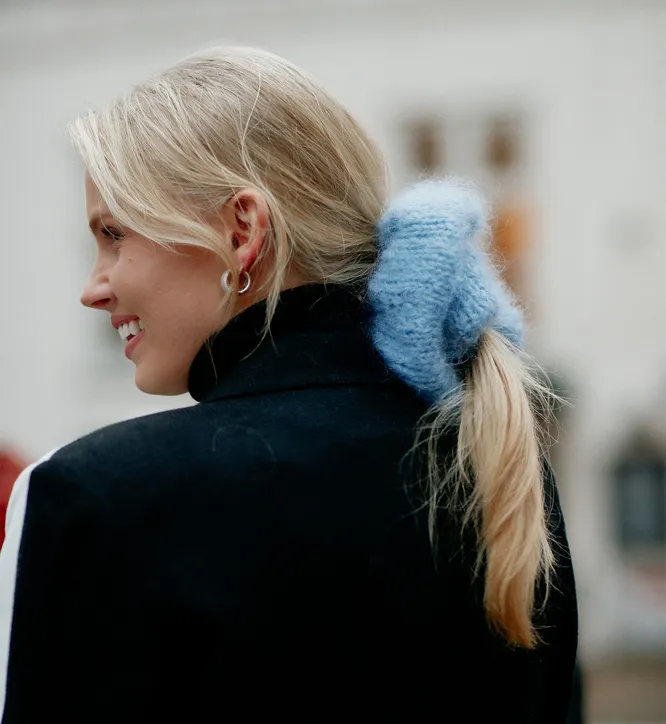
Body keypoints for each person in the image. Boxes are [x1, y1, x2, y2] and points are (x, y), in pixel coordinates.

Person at [0, 47, 577, 722]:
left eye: (113, 235)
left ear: (241, 230)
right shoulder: (499, 464)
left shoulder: (94, 495)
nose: (92, 288)